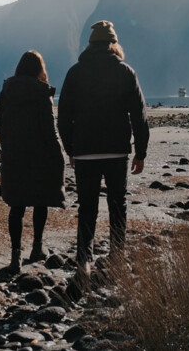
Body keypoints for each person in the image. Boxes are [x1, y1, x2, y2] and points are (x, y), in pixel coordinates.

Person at [57, 20, 149, 276]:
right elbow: (139, 116)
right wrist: (140, 152)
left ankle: (84, 261)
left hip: (85, 150)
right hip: (117, 150)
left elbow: (63, 116)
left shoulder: (75, 73)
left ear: (90, 45)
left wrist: (70, 149)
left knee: (87, 206)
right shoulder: (126, 72)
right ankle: (117, 258)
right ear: (113, 44)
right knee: (118, 204)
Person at [0, 50, 65, 273]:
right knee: (40, 201)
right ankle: (37, 248)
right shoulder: (42, 94)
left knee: (16, 206)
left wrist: (8, 146)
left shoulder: (6, 92)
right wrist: (58, 154)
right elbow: (48, 130)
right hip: (40, 155)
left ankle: (15, 259)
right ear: (39, 70)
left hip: (14, 155)